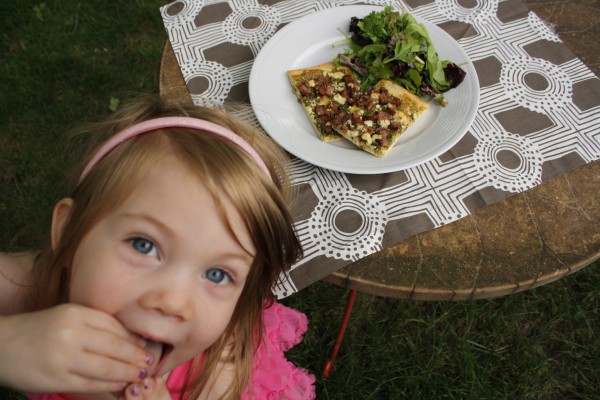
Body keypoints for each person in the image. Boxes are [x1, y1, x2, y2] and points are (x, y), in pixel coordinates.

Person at [0, 96, 316, 400]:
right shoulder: (26, 284)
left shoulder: (219, 384)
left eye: (218, 274)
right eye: (144, 246)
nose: (173, 302)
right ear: (70, 232)